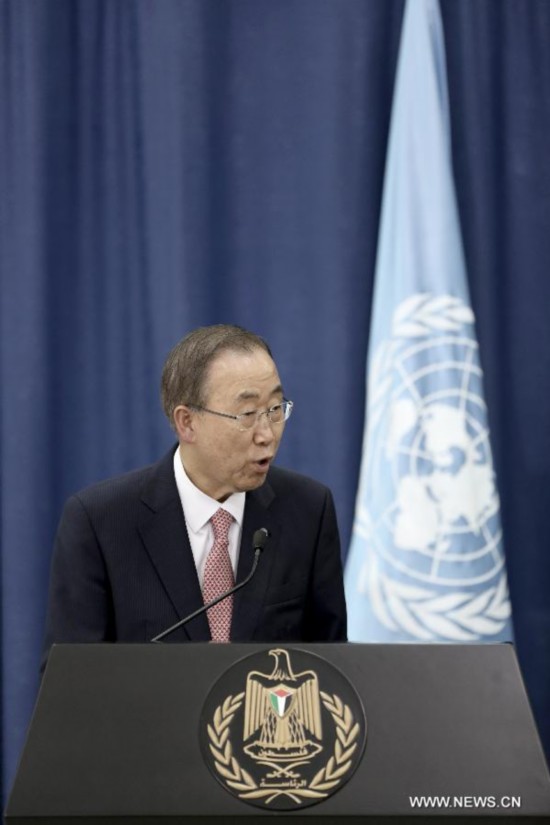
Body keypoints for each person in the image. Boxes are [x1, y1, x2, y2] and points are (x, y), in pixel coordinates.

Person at [41, 325, 347, 668]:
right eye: (247, 414)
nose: (266, 435)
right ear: (187, 423)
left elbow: (330, 670)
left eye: (276, 409)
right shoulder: (100, 522)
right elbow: (69, 684)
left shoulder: (308, 510)